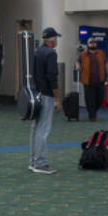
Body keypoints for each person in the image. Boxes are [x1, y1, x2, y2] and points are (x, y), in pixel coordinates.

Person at [29, 27, 62, 175]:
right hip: (47, 95)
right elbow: (52, 77)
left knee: (36, 128)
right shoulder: (51, 53)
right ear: (53, 39)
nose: (57, 41)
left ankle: (33, 161)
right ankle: (41, 163)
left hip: (37, 94)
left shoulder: (37, 52)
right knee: (43, 130)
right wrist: (57, 98)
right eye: (56, 38)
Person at [78, 40, 108, 120]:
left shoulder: (100, 53)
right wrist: (78, 66)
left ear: (96, 44)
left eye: (94, 43)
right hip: (88, 81)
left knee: (100, 98)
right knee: (89, 99)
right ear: (88, 44)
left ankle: (93, 112)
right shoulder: (83, 54)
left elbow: (106, 64)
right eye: (91, 43)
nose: (93, 44)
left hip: (100, 80)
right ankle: (92, 115)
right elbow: (78, 62)